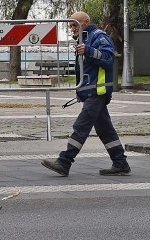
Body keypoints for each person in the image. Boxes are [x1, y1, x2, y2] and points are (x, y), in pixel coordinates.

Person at [42, 11, 131, 177]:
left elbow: (108, 58)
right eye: (70, 26)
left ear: (85, 22)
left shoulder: (98, 37)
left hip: (97, 91)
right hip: (91, 91)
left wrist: (89, 50)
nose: (72, 29)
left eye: (75, 25)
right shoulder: (85, 39)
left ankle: (64, 162)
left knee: (81, 126)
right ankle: (120, 163)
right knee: (105, 130)